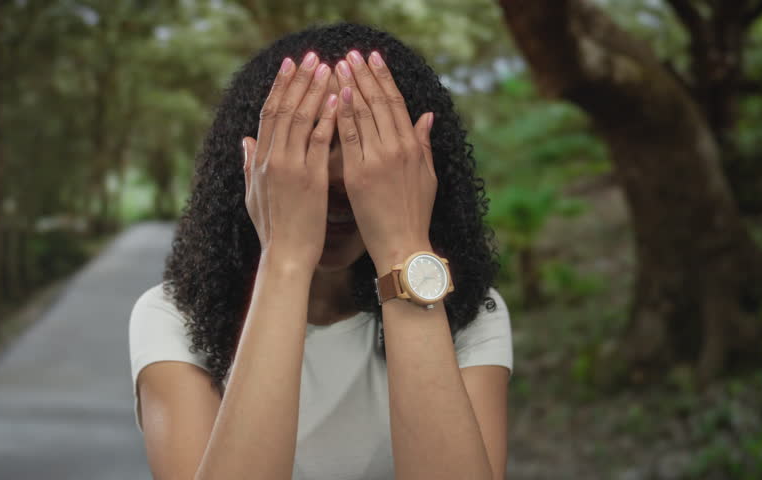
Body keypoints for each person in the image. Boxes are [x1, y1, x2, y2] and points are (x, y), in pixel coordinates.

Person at [129, 21, 513, 480]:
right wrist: (286, 259)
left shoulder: (469, 314)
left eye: (365, 140)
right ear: (252, 164)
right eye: (307, 138)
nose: (337, 178)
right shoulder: (173, 317)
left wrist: (402, 248)